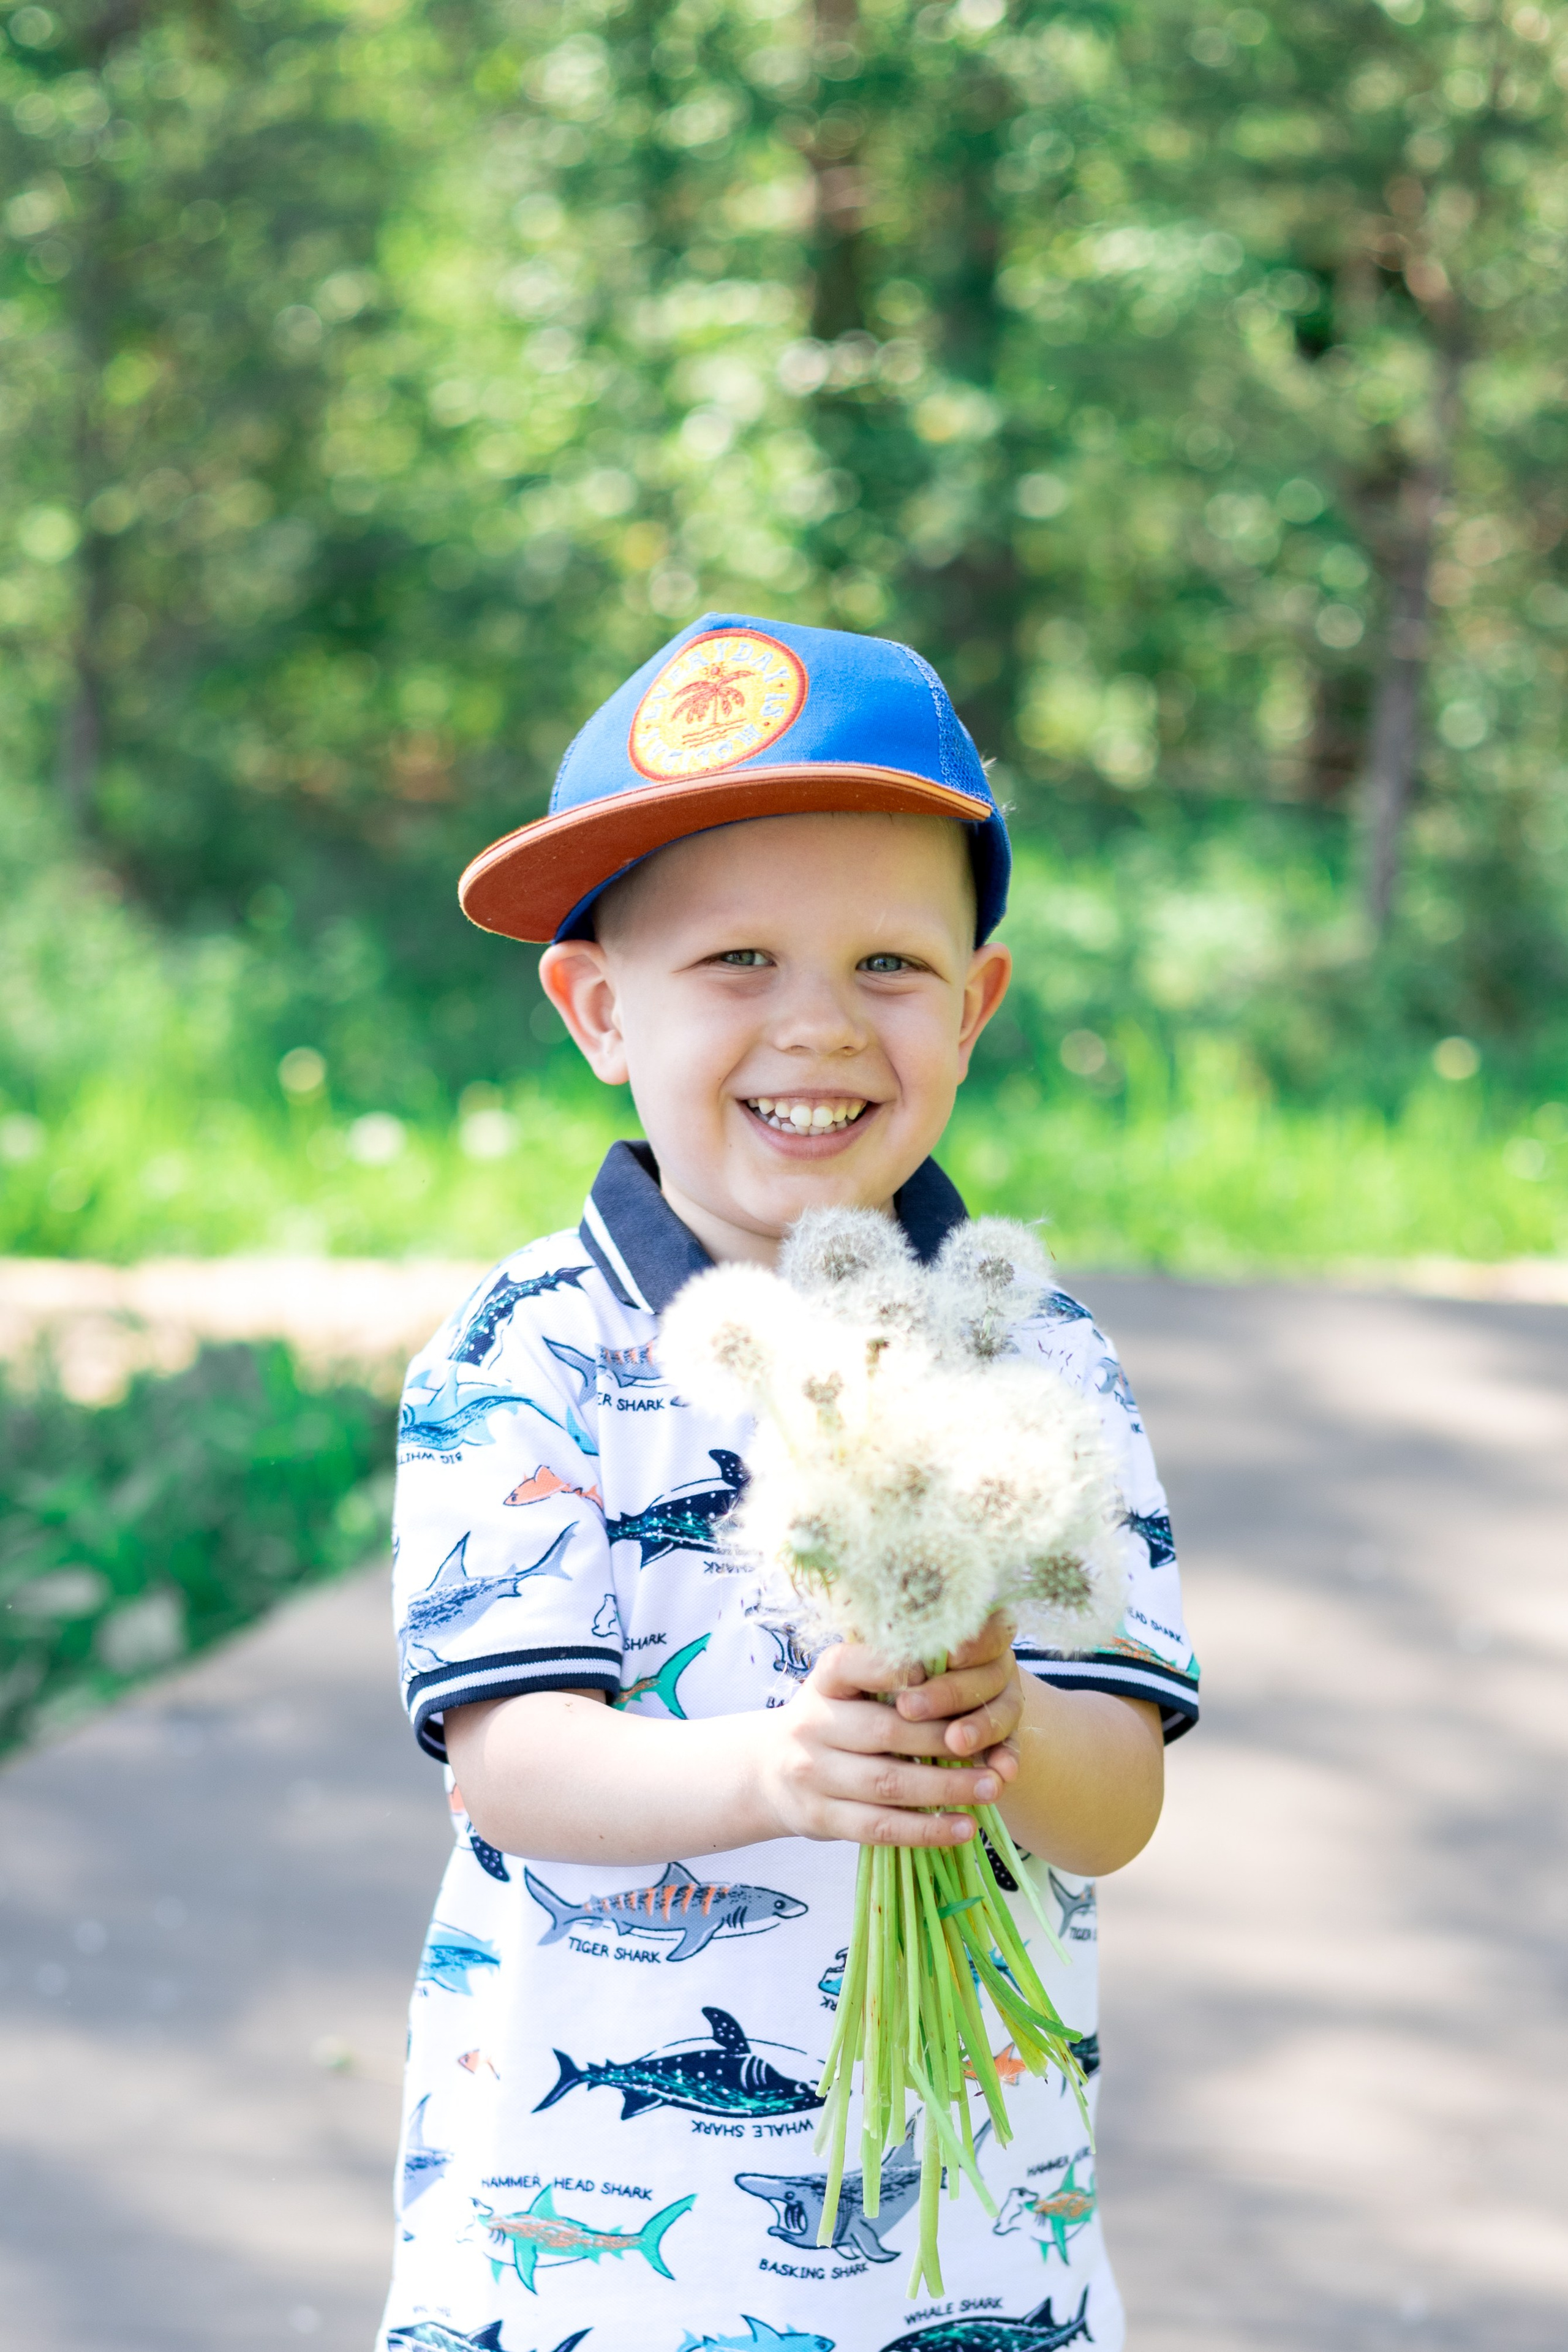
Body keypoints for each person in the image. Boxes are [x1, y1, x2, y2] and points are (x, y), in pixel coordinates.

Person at [380, 614, 1199, 2352]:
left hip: (971, 2261)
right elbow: (510, 1764)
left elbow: (1114, 1799)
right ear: (600, 1009)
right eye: (737, 961)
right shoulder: (527, 1347)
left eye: (889, 967)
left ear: (975, 1006)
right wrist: (777, 1766)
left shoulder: (1037, 1358)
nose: (816, 1028)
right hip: (589, 2273)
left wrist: (1005, 1722)